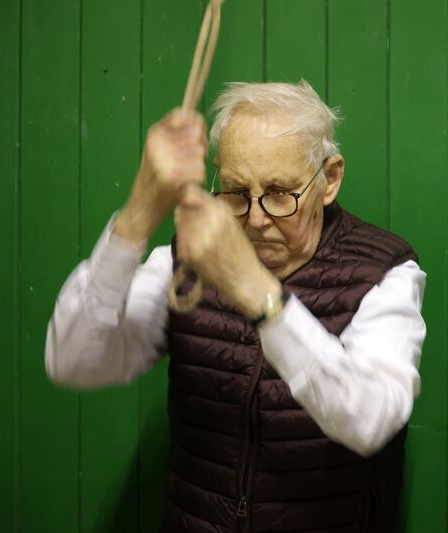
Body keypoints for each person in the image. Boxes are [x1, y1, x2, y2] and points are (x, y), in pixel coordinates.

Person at [46, 80, 426, 532]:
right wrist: (136, 218)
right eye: (236, 193)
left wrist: (257, 292)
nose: (257, 218)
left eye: (280, 192)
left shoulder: (385, 272)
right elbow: (71, 362)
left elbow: (370, 419)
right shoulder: (185, 260)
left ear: (330, 179)